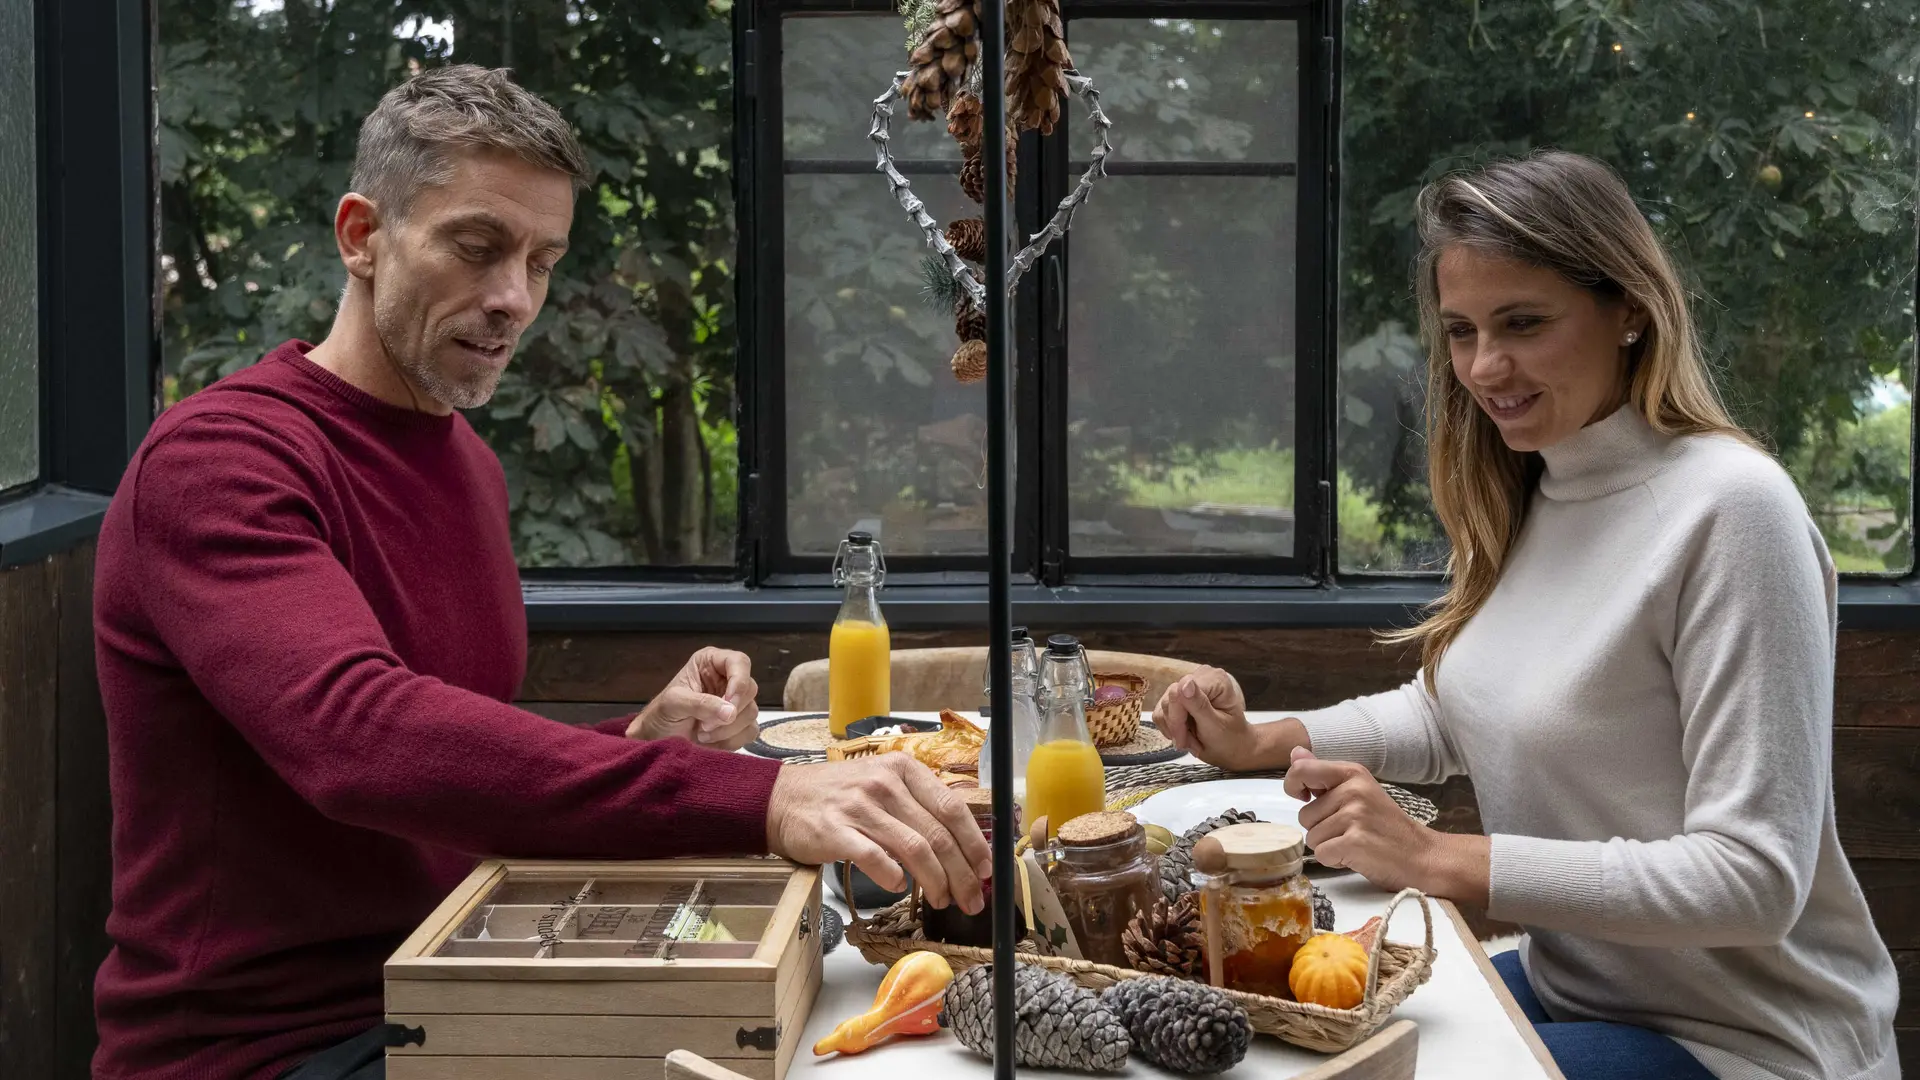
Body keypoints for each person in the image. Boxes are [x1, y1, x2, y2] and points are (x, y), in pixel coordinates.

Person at [90, 65, 989, 1080]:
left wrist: (634, 742)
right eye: (476, 248)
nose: (513, 298)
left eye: (542, 261)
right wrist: (760, 798)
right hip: (273, 1049)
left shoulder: (464, 462)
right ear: (361, 236)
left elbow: (447, 770)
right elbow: (358, 737)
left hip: (462, 982)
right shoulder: (221, 460)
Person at [1153, 151, 1899, 1080]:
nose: (1483, 367)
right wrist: (1260, 739)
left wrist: (1440, 859)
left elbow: (1754, 881)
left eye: (1524, 324)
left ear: (1630, 307)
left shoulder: (1734, 511)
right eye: (1462, 332)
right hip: (1582, 985)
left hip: (1744, 1040)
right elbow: (1463, 704)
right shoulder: (1536, 487)